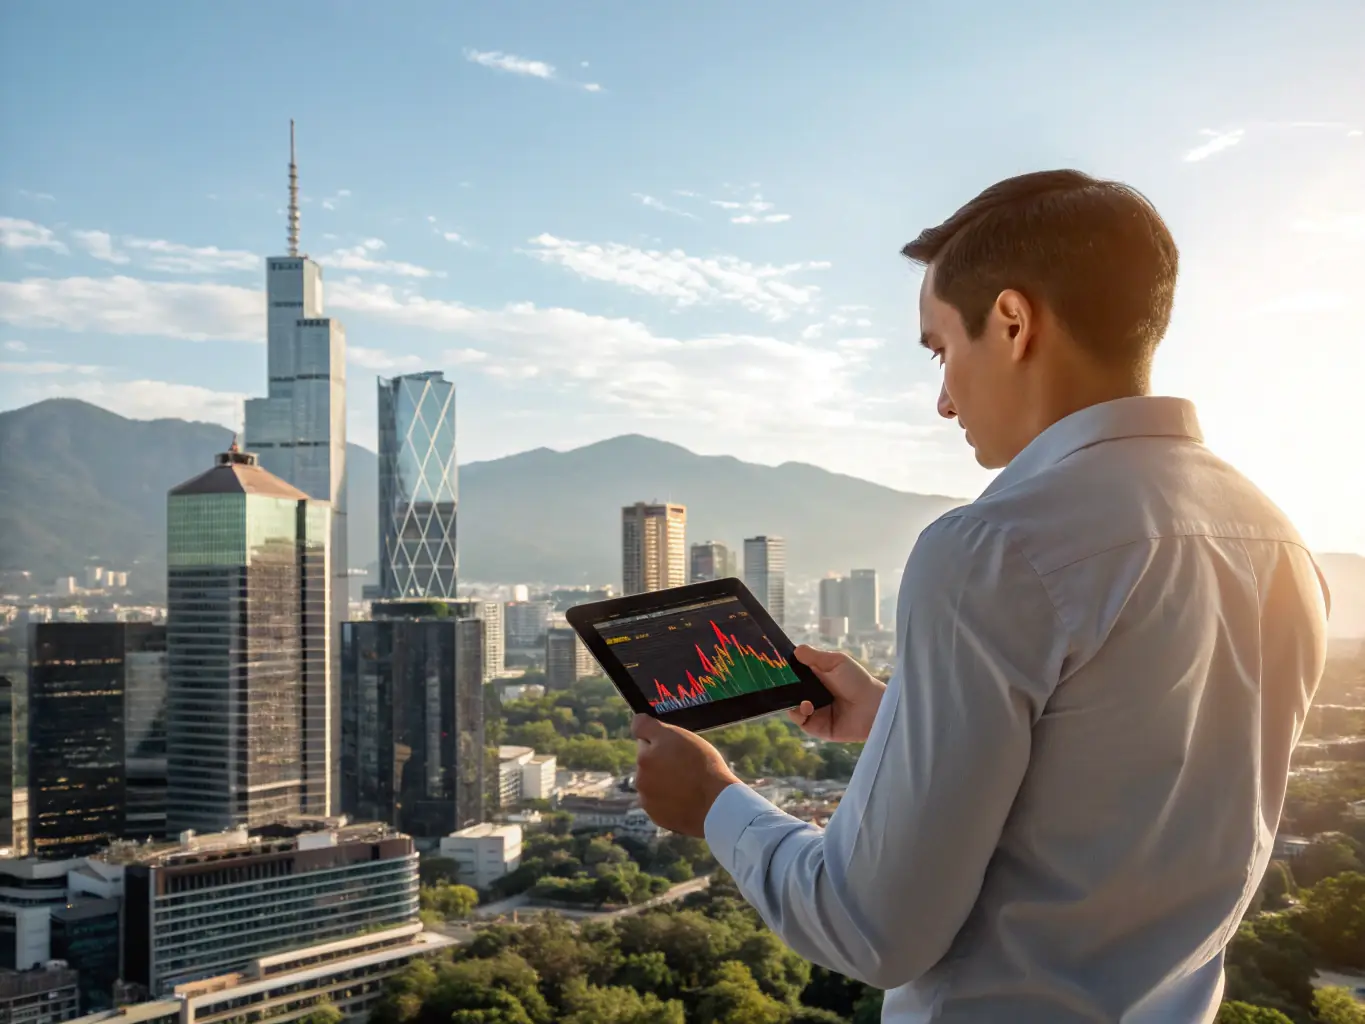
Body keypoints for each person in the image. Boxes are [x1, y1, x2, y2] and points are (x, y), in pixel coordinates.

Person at [631, 169, 1331, 1023]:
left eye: (939, 349)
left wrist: (713, 803)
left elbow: (870, 928)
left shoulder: (992, 547)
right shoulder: (1275, 540)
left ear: (1010, 321)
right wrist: (900, 717)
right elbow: (1126, 776)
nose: (940, 399)